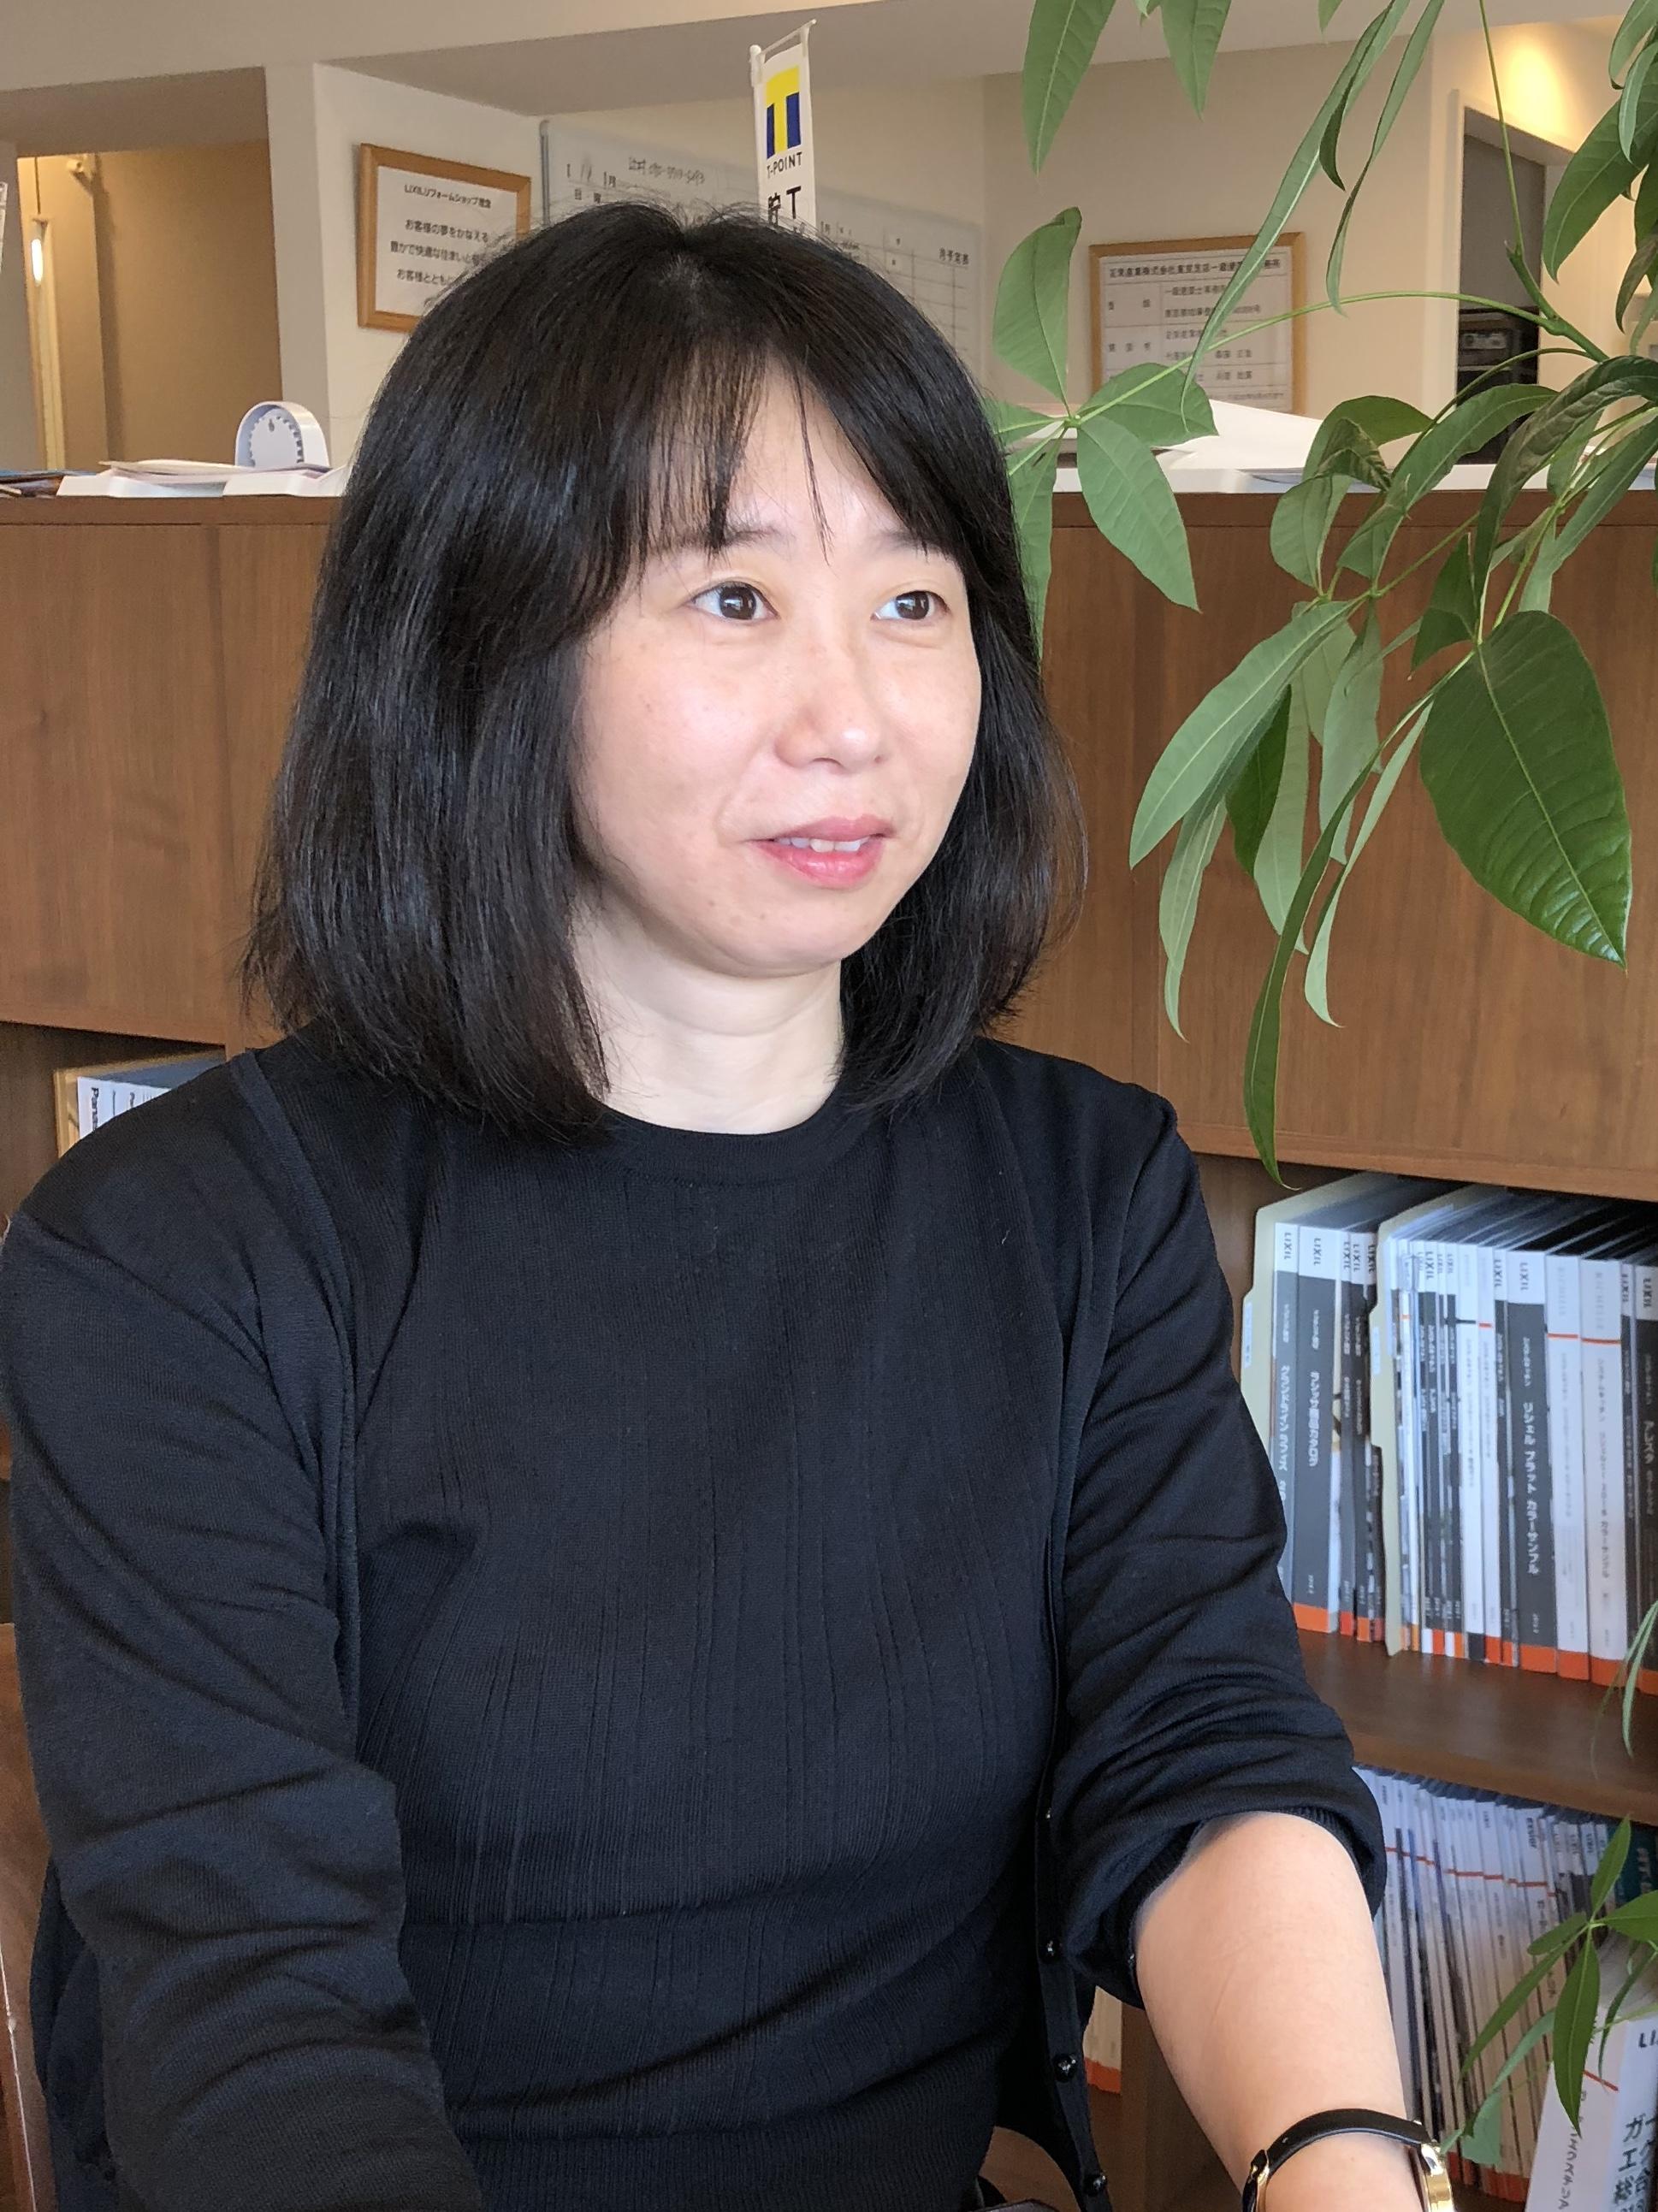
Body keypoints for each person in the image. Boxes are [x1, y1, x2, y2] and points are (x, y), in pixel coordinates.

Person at [0, 201, 1429, 2212]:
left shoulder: (1080, 1194)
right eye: (734, 597)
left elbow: (1201, 1749)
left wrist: (1344, 2161)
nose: (854, 714)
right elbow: (252, 2013)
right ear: (485, 646)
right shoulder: (178, 1257)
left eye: (914, 599)